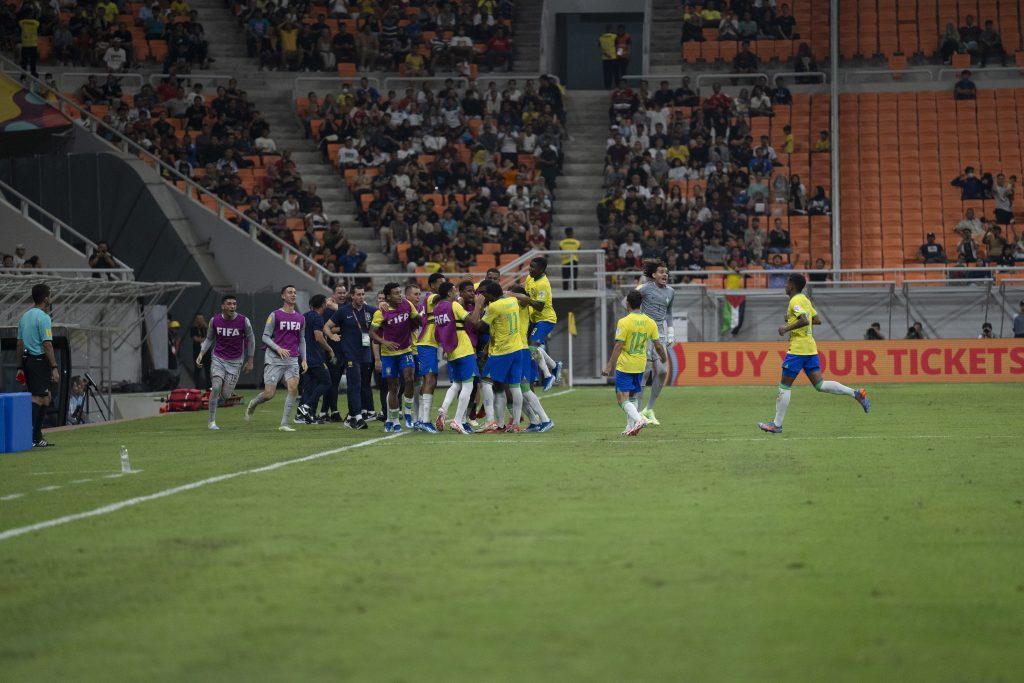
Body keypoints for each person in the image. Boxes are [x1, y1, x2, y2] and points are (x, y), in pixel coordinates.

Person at [758, 273, 870, 434]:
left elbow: (804, 320)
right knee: (820, 385)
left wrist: (786, 328)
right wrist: (790, 319)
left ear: (792, 285)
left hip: (798, 349)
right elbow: (816, 320)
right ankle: (856, 393)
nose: (784, 286)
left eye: (786, 283)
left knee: (785, 385)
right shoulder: (805, 300)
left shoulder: (795, 300)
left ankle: (776, 424)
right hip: (810, 348)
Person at [602, 289, 667, 437]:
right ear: (641, 304)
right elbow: (658, 345)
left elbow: (618, 346)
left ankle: (639, 419)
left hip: (625, 365)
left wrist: (609, 365)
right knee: (632, 396)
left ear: (628, 303)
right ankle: (630, 427)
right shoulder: (650, 322)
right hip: (640, 365)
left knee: (621, 398)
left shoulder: (624, 322)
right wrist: (663, 357)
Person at [244, 285, 308, 432]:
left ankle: (284, 423)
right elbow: (265, 337)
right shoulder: (275, 315)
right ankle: (253, 403)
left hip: (292, 359)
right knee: (269, 394)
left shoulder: (301, 318)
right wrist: (278, 348)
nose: (293, 295)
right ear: (283, 296)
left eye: (295, 292)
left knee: (293, 388)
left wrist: (304, 359)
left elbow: (302, 340)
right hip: (274, 358)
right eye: (290, 292)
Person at [470, 279, 525, 433]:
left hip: (502, 351)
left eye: (484, 293)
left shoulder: (494, 306)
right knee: (514, 386)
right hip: (517, 349)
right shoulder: (512, 300)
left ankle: (491, 422)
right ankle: (515, 425)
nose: (482, 296)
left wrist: (478, 306)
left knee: (486, 383)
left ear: (491, 294)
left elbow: (479, 326)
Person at [196, 295, 255, 430]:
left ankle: (220, 398)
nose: (232, 306)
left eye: (234, 304)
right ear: (222, 306)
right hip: (218, 358)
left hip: (235, 362)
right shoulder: (214, 320)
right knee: (216, 387)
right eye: (229, 304)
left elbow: (251, 340)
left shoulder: (244, 321)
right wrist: (201, 353)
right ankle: (211, 422)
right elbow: (209, 339)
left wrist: (250, 360)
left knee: (226, 395)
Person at [370, 282, 421, 432]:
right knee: (393, 387)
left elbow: (417, 319)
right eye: (396, 293)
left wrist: (420, 318)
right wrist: (384, 341)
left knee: (410, 379)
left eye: (400, 292)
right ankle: (394, 420)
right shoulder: (381, 312)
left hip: (406, 350)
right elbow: (372, 332)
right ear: (388, 297)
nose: (400, 295)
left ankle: (407, 413)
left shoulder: (407, 305)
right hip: (388, 355)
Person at [430, 281, 480, 434]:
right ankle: (458, 421)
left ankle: (443, 409)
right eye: (454, 290)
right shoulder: (454, 305)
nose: (456, 293)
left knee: (456, 384)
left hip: (451, 351)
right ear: (449, 293)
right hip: (464, 348)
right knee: (468, 385)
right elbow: (473, 321)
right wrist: (478, 305)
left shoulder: (437, 308)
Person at [325, 285, 377, 428]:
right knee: (355, 383)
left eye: (363, 294)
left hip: (365, 354)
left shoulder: (371, 310)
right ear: (352, 296)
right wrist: (331, 335)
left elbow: (384, 318)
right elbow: (326, 326)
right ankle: (358, 417)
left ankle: (351, 417)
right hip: (350, 354)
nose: (361, 297)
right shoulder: (344, 311)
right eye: (358, 294)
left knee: (358, 386)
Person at [507, 284, 554, 433]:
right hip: (514, 350)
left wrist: (509, 294)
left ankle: (546, 420)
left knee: (525, 389)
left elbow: (523, 298)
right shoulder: (514, 307)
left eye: (512, 296)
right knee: (518, 389)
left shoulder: (521, 305)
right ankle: (534, 421)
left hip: (521, 351)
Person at [17, 283, 59, 447]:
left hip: (28, 361)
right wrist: (54, 367)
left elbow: (19, 344)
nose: (50, 297)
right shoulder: (43, 318)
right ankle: (28, 437)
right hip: (39, 360)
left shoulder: (24, 317)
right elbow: (47, 344)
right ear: (45, 298)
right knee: (38, 398)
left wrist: (20, 367)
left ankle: (36, 436)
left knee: (46, 398)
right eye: (50, 294)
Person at [633, 260, 675, 426]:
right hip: (644, 335)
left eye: (666, 272)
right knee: (645, 372)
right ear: (653, 275)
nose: (665, 274)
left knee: (663, 371)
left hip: (660, 335)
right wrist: (636, 319)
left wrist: (671, 330)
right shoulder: (644, 289)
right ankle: (636, 414)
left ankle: (648, 409)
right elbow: (627, 302)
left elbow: (669, 313)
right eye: (661, 272)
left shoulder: (671, 292)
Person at [413, 273, 447, 433]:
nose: (443, 286)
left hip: (431, 344)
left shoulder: (437, 299)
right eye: (440, 283)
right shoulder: (431, 297)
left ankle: (421, 419)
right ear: (432, 285)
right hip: (427, 344)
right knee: (430, 379)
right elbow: (435, 300)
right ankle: (425, 420)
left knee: (430, 379)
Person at [295, 294, 336, 424]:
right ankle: (306, 407)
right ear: (323, 304)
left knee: (310, 386)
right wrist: (329, 349)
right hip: (315, 357)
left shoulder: (304, 316)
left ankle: (302, 416)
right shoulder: (318, 318)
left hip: (303, 356)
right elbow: (318, 337)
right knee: (326, 382)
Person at [524, 256, 563, 390]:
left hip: (546, 319)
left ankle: (548, 375)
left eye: (533, 267)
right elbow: (526, 294)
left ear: (542, 269)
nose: (530, 269)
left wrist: (524, 298)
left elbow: (539, 306)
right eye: (530, 266)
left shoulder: (543, 284)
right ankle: (554, 366)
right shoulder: (529, 278)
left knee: (533, 346)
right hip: (533, 320)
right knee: (530, 348)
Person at [190, 314, 210, 390]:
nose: (200, 320)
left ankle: (209, 387)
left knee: (208, 370)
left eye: (201, 319)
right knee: (197, 369)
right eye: (198, 319)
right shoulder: (193, 328)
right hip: (198, 352)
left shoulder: (205, 328)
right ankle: (197, 387)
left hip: (206, 352)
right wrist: (204, 339)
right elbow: (196, 339)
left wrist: (206, 326)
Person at [598, 25, 618, 89]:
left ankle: (607, 87)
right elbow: (618, 46)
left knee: (606, 74)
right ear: (611, 29)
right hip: (614, 57)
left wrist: (606, 54)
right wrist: (619, 55)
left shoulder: (601, 37)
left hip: (605, 58)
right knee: (615, 73)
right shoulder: (615, 36)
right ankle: (617, 87)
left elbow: (600, 48)